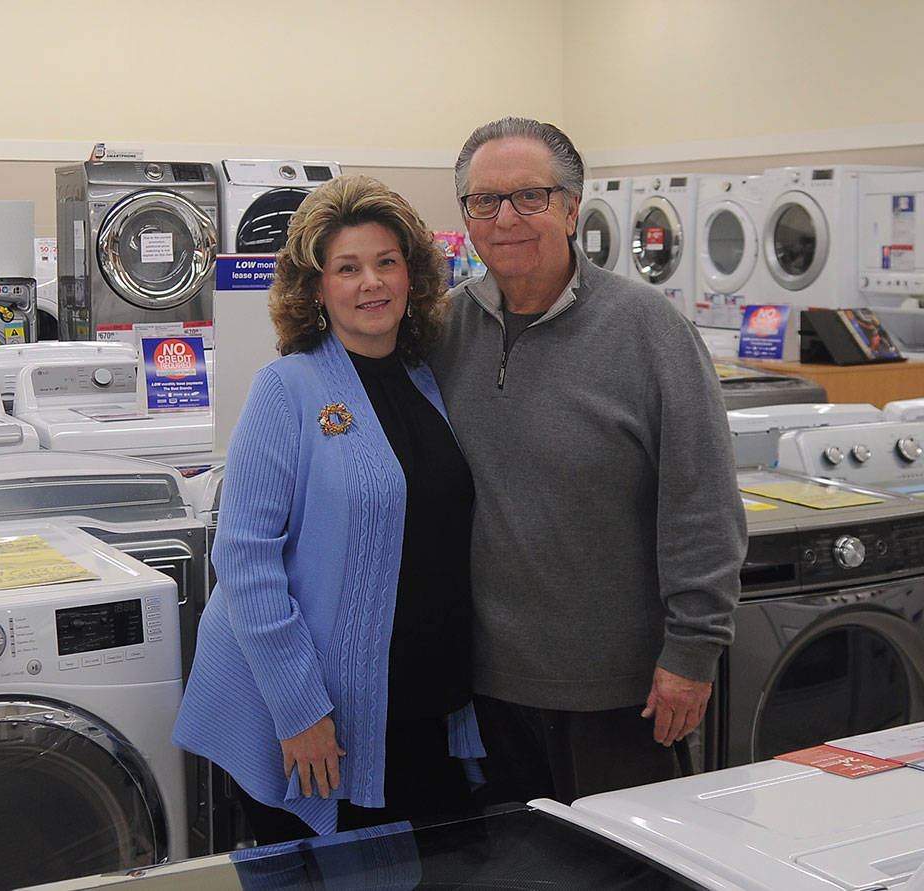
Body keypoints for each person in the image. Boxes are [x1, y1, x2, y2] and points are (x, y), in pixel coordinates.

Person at [430, 117, 747, 804]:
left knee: (624, 876)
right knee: (512, 874)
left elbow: (703, 503)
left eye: (530, 196)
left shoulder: (649, 330)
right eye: (484, 200)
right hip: (480, 692)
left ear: (572, 207)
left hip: (621, 695)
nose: (505, 217)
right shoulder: (443, 330)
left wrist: (692, 654)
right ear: (465, 217)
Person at [172, 174, 484, 843]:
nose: (371, 283)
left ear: (413, 275)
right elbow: (245, 559)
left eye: (386, 262)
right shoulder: (288, 387)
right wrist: (300, 710)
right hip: (323, 717)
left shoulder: (425, 377)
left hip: (421, 702)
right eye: (347, 268)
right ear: (317, 288)